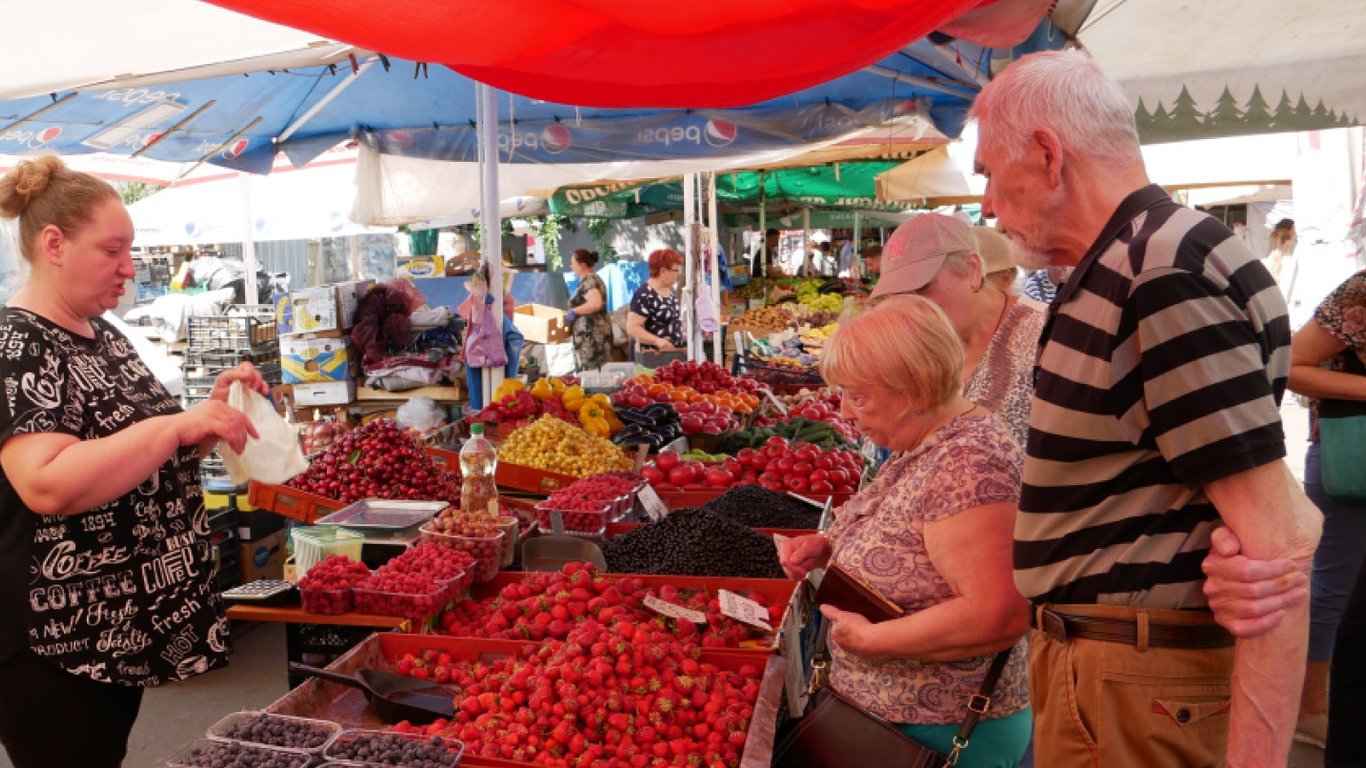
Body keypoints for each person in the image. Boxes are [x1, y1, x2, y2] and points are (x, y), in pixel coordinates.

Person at [969, 49, 1320, 767]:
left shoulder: (1158, 273)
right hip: (1120, 677)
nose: (986, 205)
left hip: (1132, 683)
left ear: (1045, 154)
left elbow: (1273, 555)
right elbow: (1263, 493)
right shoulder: (1141, 261)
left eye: (987, 174)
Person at [0, 156, 266, 768]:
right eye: (113, 249)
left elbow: (144, 453)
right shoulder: (19, 344)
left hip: (118, 623)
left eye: (131, 250)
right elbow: (46, 482)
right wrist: (173, 425)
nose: (129, 267)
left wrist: (210, 414)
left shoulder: (102, 332)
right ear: (54, 244)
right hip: (54, 635)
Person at [777, 296, 1031, 768]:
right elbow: (917, 543)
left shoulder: (970, 462)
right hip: (890, 725)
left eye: (858, 395)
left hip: (938, 735)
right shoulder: (927, 443)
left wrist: (874, 641)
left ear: (911, 388)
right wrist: (831, 548)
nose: (846, 413)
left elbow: (999, 613)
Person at [869, 214, 1044, 448]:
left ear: (972, 269)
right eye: (897, 295)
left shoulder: (1045, 335)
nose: (911, 307)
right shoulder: (917, 345)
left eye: (922, 288)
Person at [1283, 269, 1366, 747]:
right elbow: (1291, 365)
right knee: (1336, 584)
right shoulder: (1361, 290)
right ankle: (1309, 707)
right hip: (1352, 455)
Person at [627, 248, 685, 355]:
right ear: (663, 271)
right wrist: (657, 341)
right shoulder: (644, 294)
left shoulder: (668, 290)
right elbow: (632, 328)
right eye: (676, 270)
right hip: (651, 359)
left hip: (669, 355)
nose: (679, 274)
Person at [565, 248, 613, 372]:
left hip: (591, 339)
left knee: (592, 375)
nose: (571, 267)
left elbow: (595, 303)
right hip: (595, 336)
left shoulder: (589, 280)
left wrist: (574, 311)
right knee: (599, 374)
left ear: (582, 265)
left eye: (573, 263)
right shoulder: (594, 279)